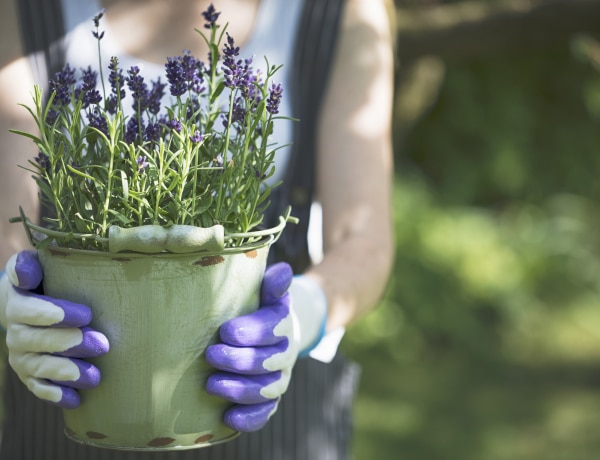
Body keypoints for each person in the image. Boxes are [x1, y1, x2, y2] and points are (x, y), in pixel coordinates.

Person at [0, 0, 395, 458]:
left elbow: (364, 238)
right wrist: (12, 296)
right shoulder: (25, 9)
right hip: (73, 388)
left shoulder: (335, 11)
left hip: (262, 410)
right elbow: (11, 222)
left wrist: (305, 313)